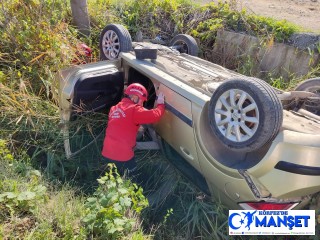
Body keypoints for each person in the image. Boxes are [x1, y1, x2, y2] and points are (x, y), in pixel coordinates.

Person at [101, 83, 165, 176]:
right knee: (132, 178)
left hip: (107, 152)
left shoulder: (114, 108)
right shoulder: (134, 110)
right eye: (142, 101)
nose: (142, 105)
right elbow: (155, 115)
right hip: (123, 155)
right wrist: (161, 104)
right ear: (135, 97)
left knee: (112, 176)